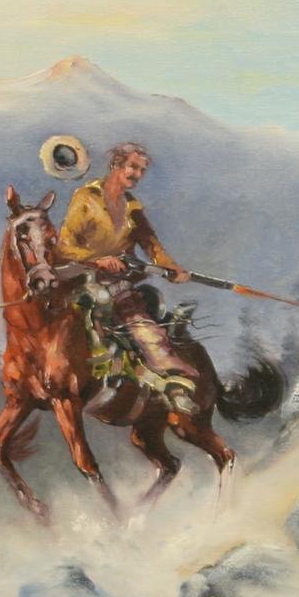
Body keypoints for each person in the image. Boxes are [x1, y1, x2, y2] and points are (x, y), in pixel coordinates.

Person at [54, 142, 201, 414]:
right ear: (116, 165)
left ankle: (174, 387)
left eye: (142, 170)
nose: (137, 175)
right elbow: (64, 247)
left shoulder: (132, 206)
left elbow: (151, 244)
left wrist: (172, 268)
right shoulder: (86, 197)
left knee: (145, 329)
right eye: (133, 167)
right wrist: (97, 260)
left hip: (118, 284)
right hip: (80, 280)